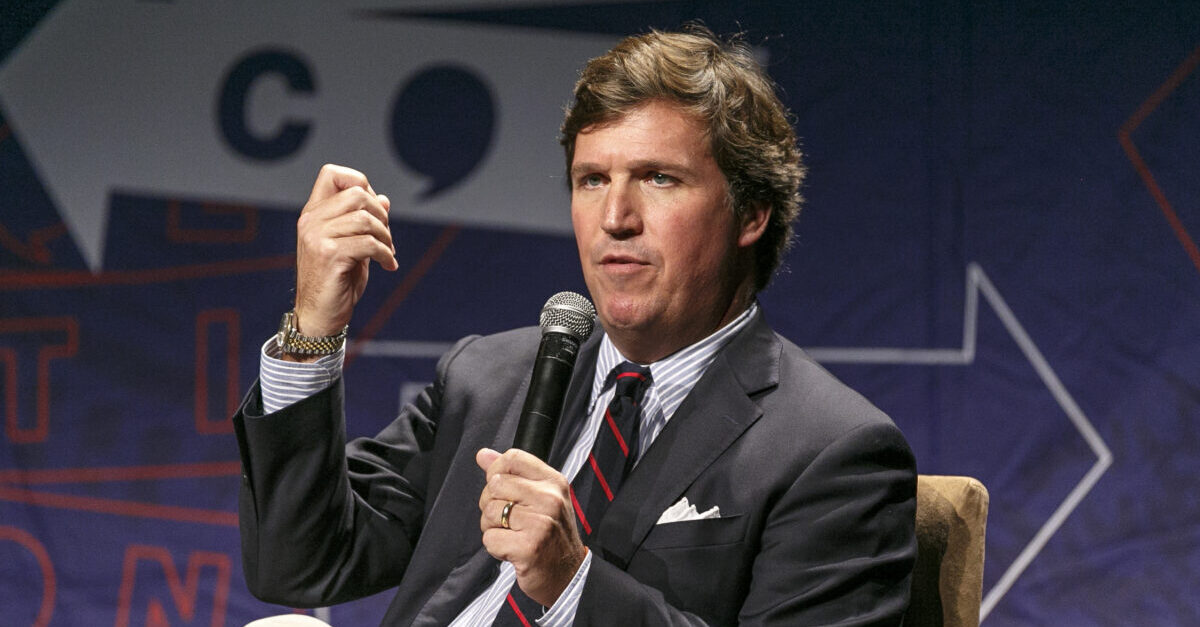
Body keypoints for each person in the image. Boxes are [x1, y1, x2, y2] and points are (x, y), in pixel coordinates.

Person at [234, 26, 917, 626]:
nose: (615, 216)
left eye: (659, 178)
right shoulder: (490, 376)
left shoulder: (831, 451)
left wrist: (571, 582)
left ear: (751, 214)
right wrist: (313, 329)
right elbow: (301, 564)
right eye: (592, 180)